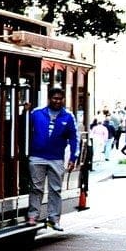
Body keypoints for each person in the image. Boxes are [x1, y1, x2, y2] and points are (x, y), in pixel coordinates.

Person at [27, 87, 79, 230]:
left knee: (55, 189)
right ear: (49, 99)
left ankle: (54, 219)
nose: (57, 101)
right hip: (36, 157)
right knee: (36, 188)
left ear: (63, 100)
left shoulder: (68, 116)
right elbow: (24, 129)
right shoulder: (36, 113)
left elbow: (74, 138)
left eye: (60, 99)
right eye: (54, 98)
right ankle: (33, 216)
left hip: (56, 158)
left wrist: (73, 157)